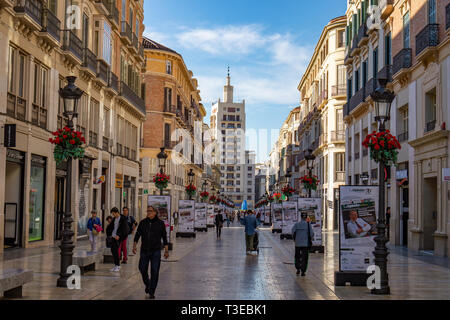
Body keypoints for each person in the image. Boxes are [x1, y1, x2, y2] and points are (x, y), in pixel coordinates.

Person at [133, 205, 169, 299]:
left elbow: (164, 237)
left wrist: (166, 250)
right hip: (144, 250)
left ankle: (152, 291)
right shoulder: (143, 222)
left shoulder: (160, 223)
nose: (148, 212)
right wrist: (134, 245)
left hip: (156, 251)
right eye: (147, 211)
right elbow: (137, 234)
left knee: (155, 271)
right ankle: (148, 284)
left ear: (155, 212)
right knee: (142, 268)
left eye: (150, 211)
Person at [106, 207, 129, 272]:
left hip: (118, 238)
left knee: (116, 251)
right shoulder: (114, 219)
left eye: (113, 213)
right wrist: (108, 234)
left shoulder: (123, 219)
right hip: (113, 237)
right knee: (113, 251)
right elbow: (111, 227)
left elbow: (125, 229)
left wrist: (119, 236)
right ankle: (116, 265)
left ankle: (118, 265)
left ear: (117, 212)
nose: (113, 215)